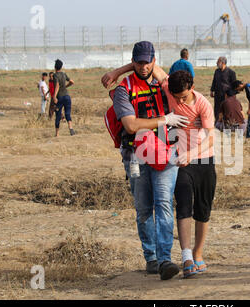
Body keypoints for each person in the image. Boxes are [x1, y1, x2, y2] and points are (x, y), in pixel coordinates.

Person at [100, 41, 190, 281]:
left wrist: (120, 69)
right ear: (133, 61)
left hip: (165, 152)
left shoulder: (164, 86)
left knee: (163, 204)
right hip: (135, 156)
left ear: (154, 60)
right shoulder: (124, 89)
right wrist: (164, 119)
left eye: (147, 61)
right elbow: (130, 125)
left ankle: (164, 260)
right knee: (143, 209)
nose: (142, 66)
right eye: (138, 62)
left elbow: (164, 76)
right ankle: (150, 257)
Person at [150, 68, 216, 279]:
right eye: (176, 98)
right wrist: (118, 72)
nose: (179, 101)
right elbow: (152, 67)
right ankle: (186, 256)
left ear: (192, 88)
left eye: (184, 97)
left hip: (204, 158)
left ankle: (198, 252)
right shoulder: (170, 88)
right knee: (184, 203)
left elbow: (211, 138)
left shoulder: (203, 104)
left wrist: (192, 153)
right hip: (180, 159)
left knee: (203, 209)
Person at [53, 59, 76, 137]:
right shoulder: (64, 74)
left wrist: (54, 96)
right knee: (67, 113)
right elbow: (72, 82)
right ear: (61, 67)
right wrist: (66, 86)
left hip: (60, 97)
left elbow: (57, 86)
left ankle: (57, 134)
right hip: (67, 96)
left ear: (55, 67)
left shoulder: (55, 75)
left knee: (58, 115)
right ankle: (71, 128)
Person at [210, 57, 236, 122]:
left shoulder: (231, 72)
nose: (216, 63)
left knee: (226, 109)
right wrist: (212, 90)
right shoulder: (217, 71)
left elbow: (234, 86)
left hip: (226, 96)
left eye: (218, 62)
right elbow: (214, 81)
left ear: (223, 63)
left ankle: (226, 124)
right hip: (217, 95)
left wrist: (231, 96)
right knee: (217, 109)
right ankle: (217, 123)